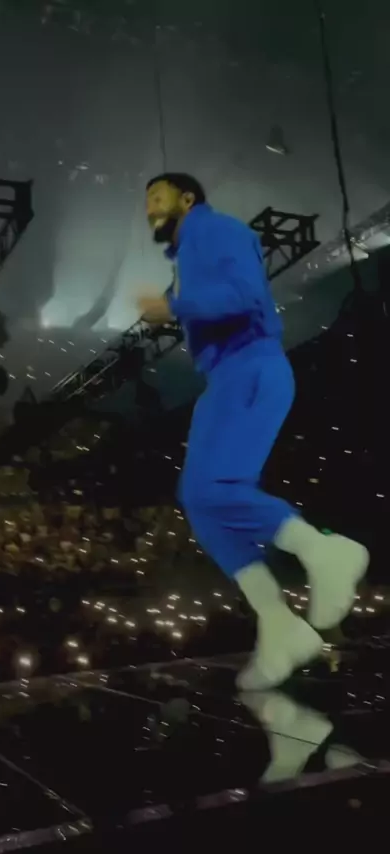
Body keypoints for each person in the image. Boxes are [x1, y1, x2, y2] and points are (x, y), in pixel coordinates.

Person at [137, 172, 369, 690]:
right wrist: (173, 304)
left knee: (208, 491)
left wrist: (174, 306)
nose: (149, 207)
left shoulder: (217, 230)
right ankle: (278, 622)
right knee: (199, 500)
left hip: (250, 367)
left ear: (187, 199)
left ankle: (326, 552)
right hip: (228, 376)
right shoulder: (187, 255)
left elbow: (244, 294)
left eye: (157, 196)